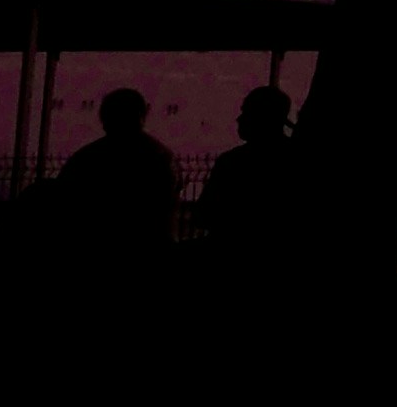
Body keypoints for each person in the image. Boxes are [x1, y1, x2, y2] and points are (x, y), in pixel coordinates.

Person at [46, 85, 177, 276]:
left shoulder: (88, 159)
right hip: (150, 254)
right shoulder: (160, 157)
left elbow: (64, 204)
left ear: (105, 117)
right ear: (142, 114)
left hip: (96, 255)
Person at [194, 85, 297, 270]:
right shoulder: (295, 159)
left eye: (247, 112)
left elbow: (204, 214)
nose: (239, 119)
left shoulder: (233, 162)